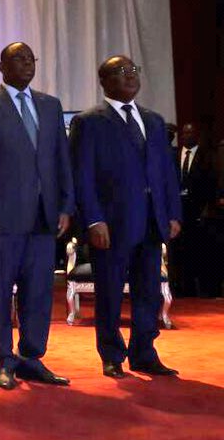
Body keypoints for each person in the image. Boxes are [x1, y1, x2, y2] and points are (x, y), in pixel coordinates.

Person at [0, 42, 74, 390]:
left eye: (30, 59)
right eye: (18, 59)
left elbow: (62, 160)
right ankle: (5, 360)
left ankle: (31, 358)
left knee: (39, 292)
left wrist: (66, 206)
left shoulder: (50, 106)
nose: (26, 64)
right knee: (0, 291)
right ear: (1, 66)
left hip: (44, 217)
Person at [69, 55, 182, 377]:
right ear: (104, 81)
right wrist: (93, 220)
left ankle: (144, 353)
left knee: (148, 292)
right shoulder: (89, 122)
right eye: (121, 72)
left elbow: (166, 173)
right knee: (110, 292)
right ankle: (112, 355)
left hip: (152, 221)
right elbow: (82, 177)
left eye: (133, 70)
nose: (130, 76)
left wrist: (172, 213)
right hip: (111, 224)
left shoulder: (154, 121)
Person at [170, 122, 218, 297]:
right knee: (179, 256)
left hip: (198, 214)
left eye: (191, 133)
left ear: (197, 135)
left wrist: (206, 208)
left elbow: (212, 184)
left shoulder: (207, 156)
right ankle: (182, 290)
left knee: (200, 254)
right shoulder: (173, 156)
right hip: (177, 214)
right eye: (184, 133)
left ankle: (204, 291)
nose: (187, 136)